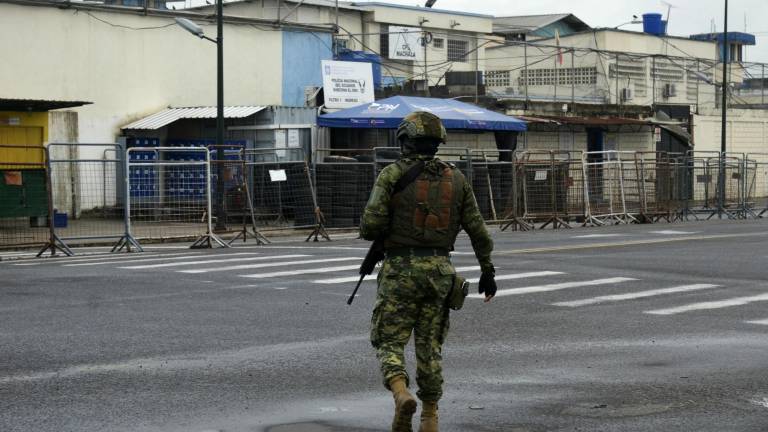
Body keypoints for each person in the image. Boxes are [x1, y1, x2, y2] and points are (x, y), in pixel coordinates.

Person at [360, 111, 497, 432]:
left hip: (399, 271)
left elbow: (370, 226)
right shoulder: (457, 179)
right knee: (430, 347)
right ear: (438, 143)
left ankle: (401, 393)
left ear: (404, 140)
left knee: (388, 341)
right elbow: (480, 232)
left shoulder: (391, 175)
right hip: (440, 273)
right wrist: (487, 272)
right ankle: (430, 417)